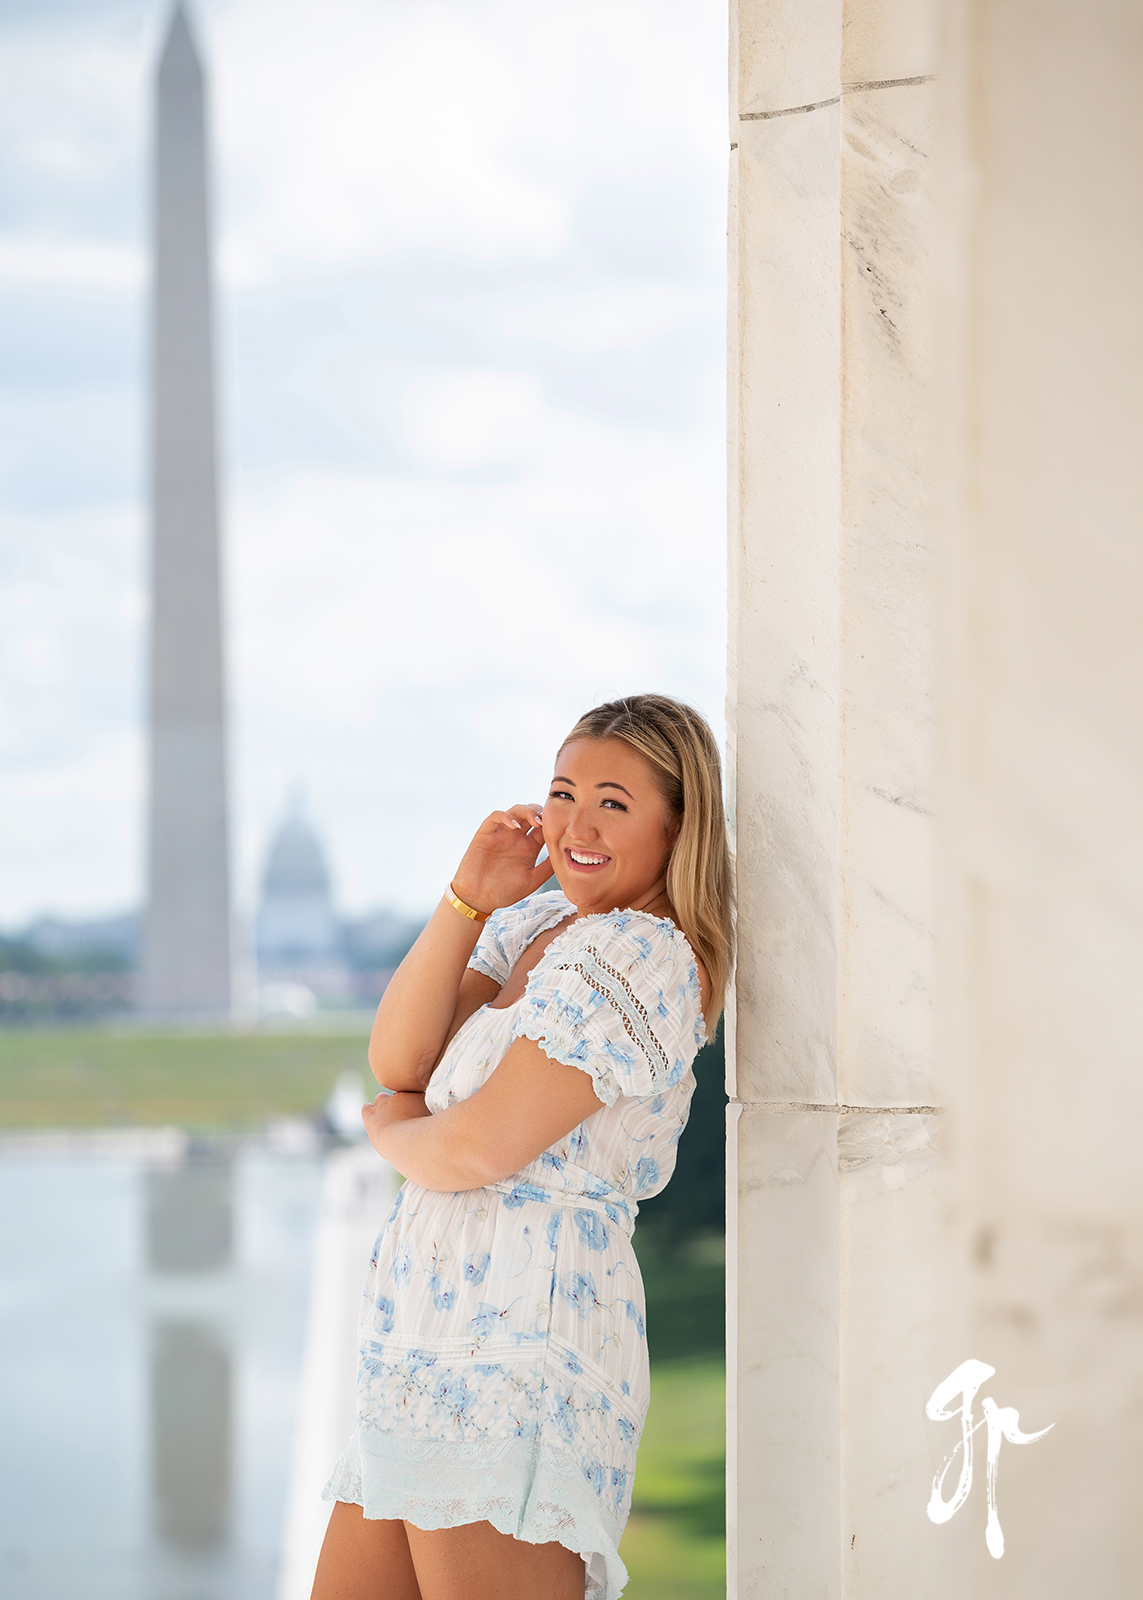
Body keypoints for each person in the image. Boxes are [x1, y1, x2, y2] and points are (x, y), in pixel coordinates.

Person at [310, 693, 733, 1600]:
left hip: (520, 1341)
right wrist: (468, 895)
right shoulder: (534, 929)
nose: (575, 824)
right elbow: (398, 1057)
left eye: (613, 802)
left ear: (678, 823)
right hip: (421, 1341)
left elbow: (473, 1151)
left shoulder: (640, 958)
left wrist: (395, 1132)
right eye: (561, 792)